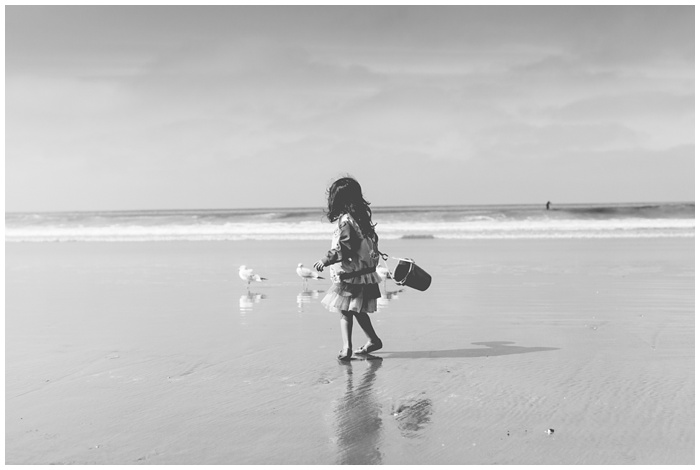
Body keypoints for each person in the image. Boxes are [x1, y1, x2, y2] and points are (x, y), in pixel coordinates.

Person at [313, 177, 383, 361]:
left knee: (345, 311)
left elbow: (343, 247)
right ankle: (373, 340)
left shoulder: (346, 221)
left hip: (350, 274)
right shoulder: (362, 220)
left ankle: (347, 348)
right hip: (365, 273)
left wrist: (325, 260)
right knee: (356, 309)